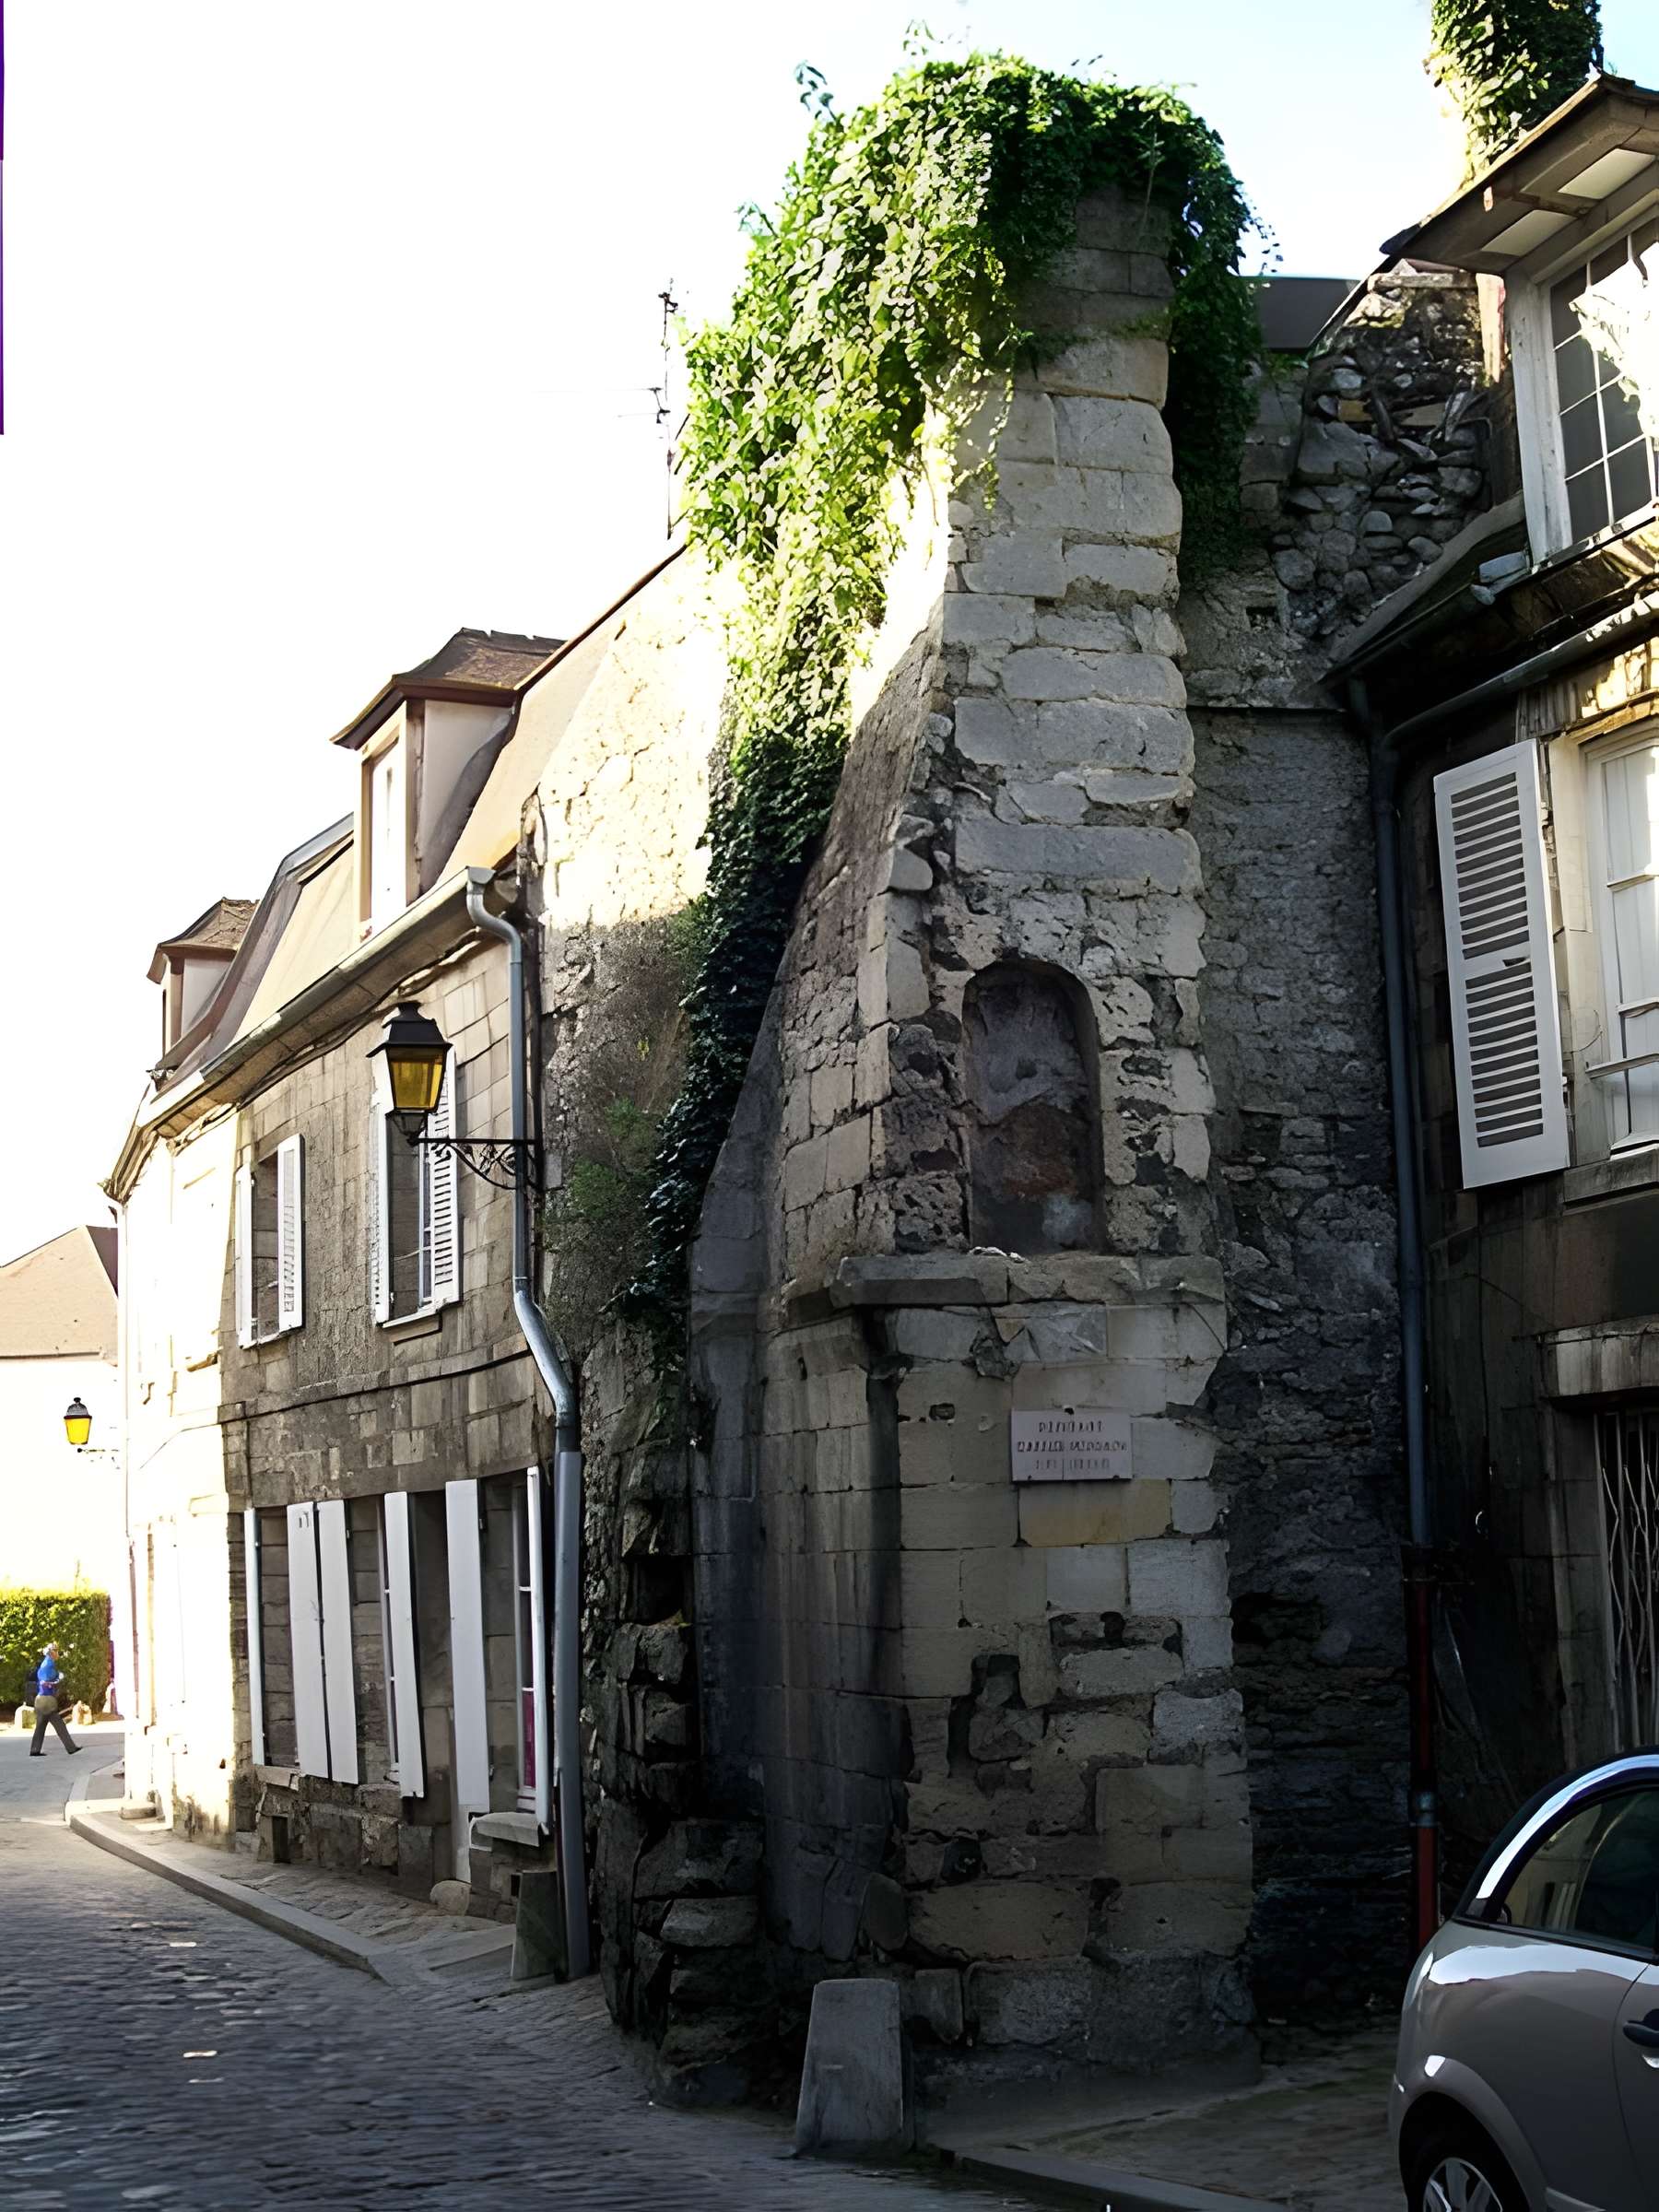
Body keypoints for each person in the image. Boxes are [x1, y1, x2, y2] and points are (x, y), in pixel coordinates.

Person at [29, 1643, 81, 1757]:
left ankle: (35, 1750)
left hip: (41, 1700)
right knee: (58, 1725)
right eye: (56, 1651)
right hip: (47, 1700)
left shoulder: (46, 1663)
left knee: (41, 1726)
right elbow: (46, 1682)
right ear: (51, 1652)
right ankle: (71, 1748)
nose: (58, 1653)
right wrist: (58, 1678)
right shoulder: (48, 1665)